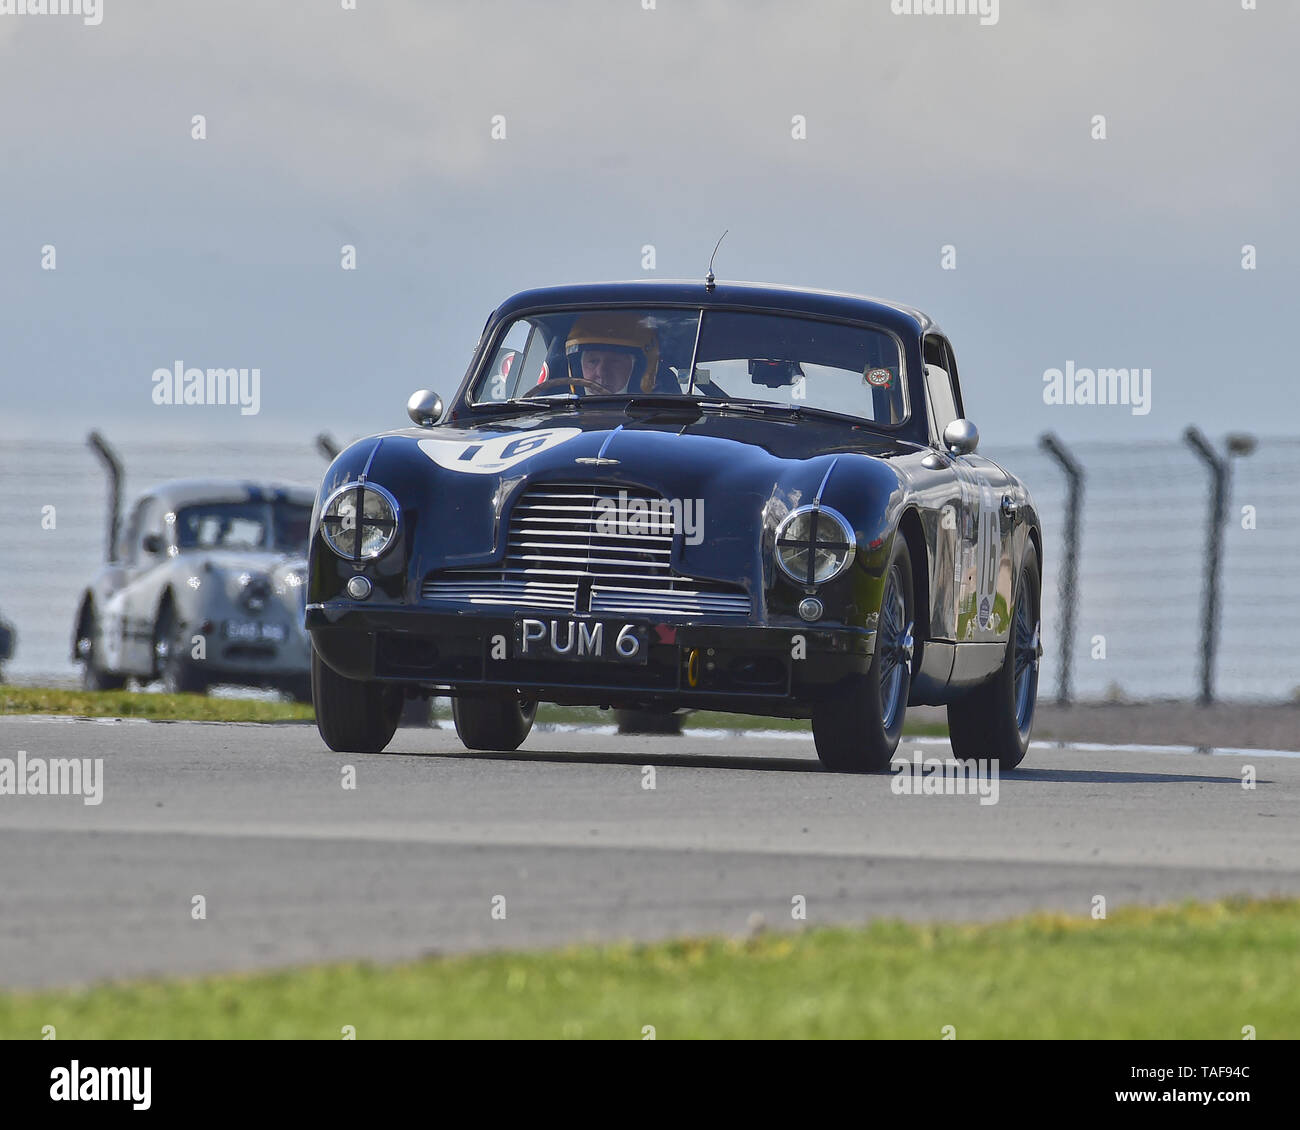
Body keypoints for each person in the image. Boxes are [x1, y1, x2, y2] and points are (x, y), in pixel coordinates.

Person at [563, 313, 662, 394]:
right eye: (593, 361)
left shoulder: (660, 417)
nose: (601, 372)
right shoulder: (560, 411)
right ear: (579, 368)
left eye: (614, 361)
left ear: (638, 368)